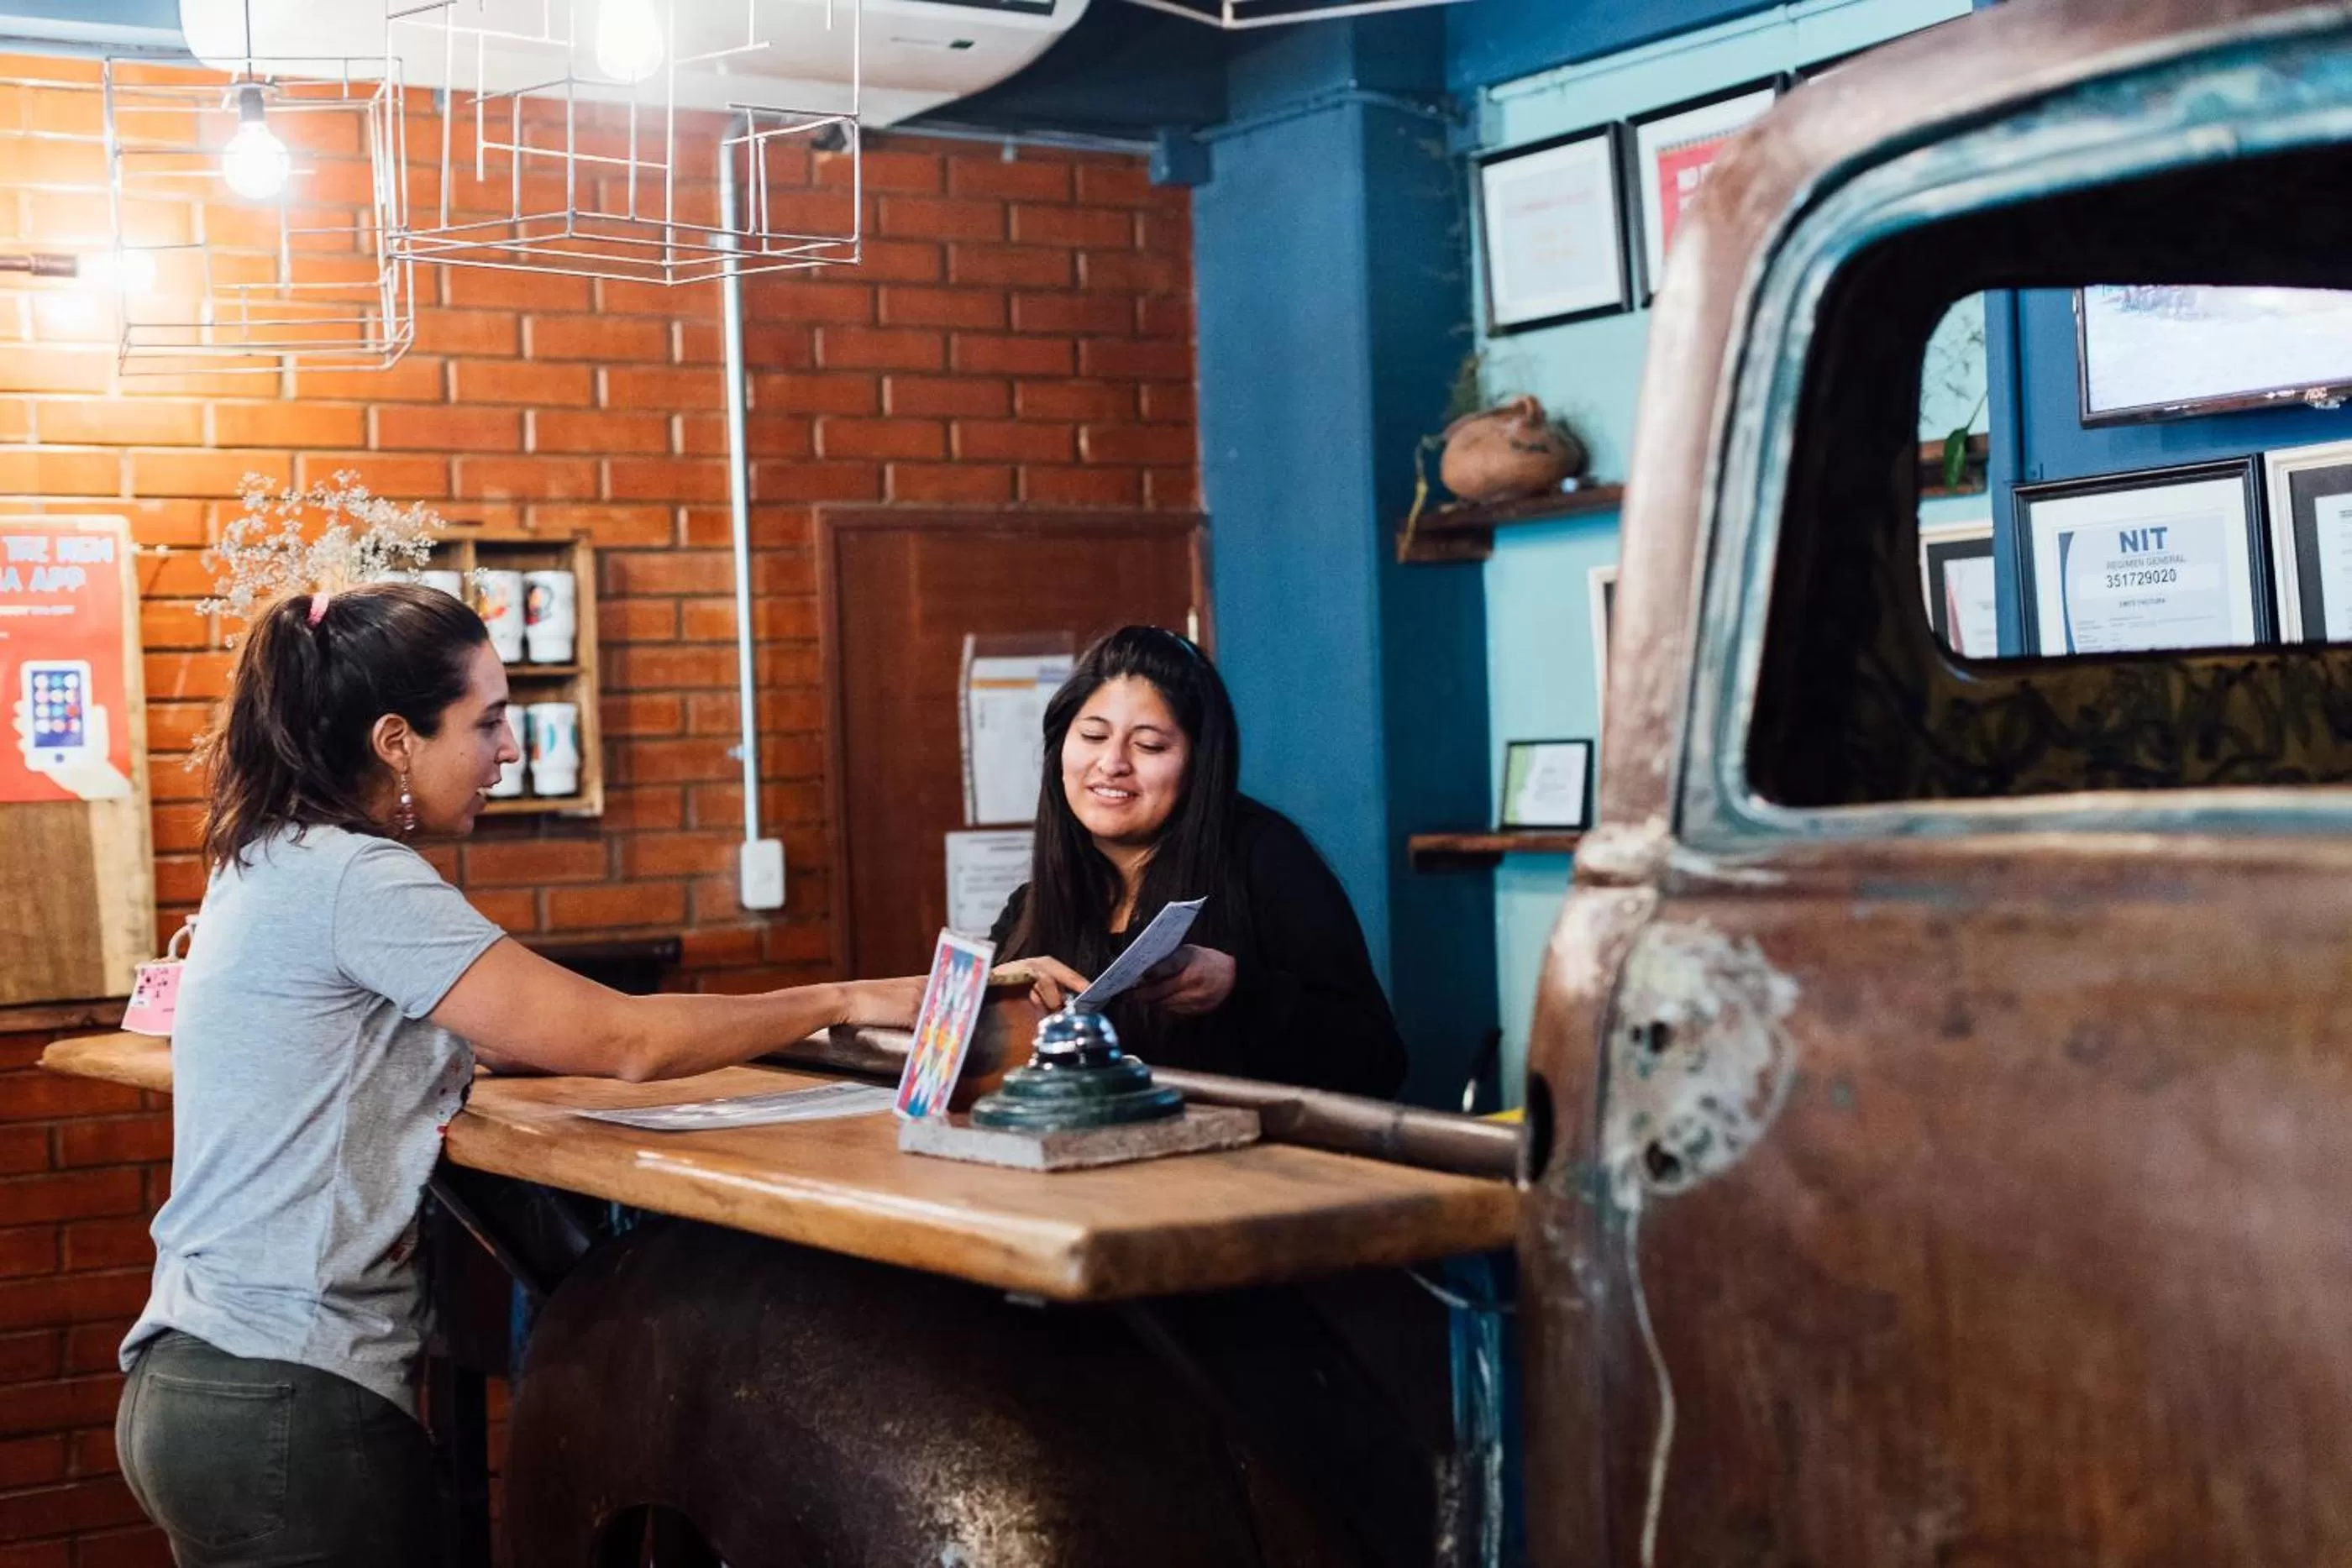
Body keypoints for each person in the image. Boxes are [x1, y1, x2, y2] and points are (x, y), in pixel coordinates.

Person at [113, 582, 921, 1566]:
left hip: (195, 1386)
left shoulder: (272, 853)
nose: (510, 749)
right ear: (394, 741)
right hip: (289, 1402)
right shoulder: (359, 881)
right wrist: (847, 1000)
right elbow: (625, 1040)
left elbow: (481, 1034)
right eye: (488, 720)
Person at [990, 626, 1407, 1098]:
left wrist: (1241, 990)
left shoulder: (1265, 859)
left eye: (1148, 746)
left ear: (1198, 763)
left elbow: (1378, 1061)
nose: (1111, 763)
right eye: (1092, 735)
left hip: (1237, 1164)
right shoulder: (1032, 903)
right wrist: (999, 1002)